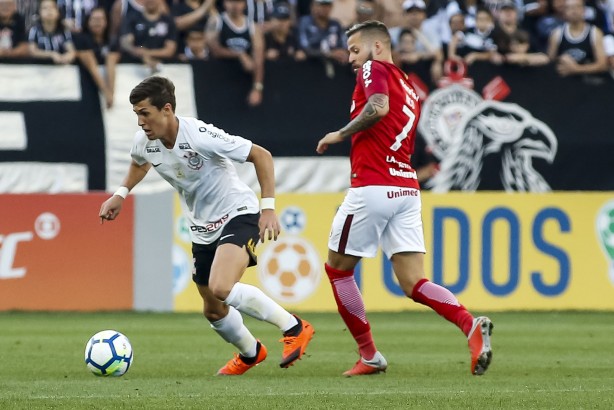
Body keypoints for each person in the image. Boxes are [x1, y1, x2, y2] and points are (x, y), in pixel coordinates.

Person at [99, 76, 315, 375]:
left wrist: (268, 209)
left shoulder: (200, 135)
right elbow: (140, 162)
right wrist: (120, 195)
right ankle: (251, 353)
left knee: (221, 286)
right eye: (136, 114)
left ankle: (293, 327)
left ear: (167, 109)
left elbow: (260, 155)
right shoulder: (145, 142)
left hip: (238, 213)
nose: (140, 122)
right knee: (213, 309)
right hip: (201, 227)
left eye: (144, 113)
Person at [316, 20, 493, 377]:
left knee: (338, 271)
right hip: (406, 190)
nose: (352, 59)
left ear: (377, 47)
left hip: (373, 186)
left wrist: (340, 133)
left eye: (355, 49)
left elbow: (378, 107)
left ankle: (369, 355)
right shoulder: (409, 87)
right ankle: (469, 325)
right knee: (414, 283)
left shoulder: (373, 68)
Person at [205, 0, 265, 106]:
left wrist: (257, 87)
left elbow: (259, 58)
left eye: (238, 2)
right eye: (231, 1)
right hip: (216, 78)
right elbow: (214, 50)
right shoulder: (216, 21)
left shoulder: (252, 27)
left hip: (241, 83)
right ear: (224, 3)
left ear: (245, 4)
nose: (235, 5)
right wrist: (239, 54)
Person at [74, 6, 120, 108]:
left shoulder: (111, 40)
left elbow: (112, 59)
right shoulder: (82, 38)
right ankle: (108, 94)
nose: (97, 22)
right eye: (94, 19)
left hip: (110, 85)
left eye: (100, 19)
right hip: (87, 84)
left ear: (107, 21)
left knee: (111, 58)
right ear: (88, 21)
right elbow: (88, 61)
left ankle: (111, 95)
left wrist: (110, 92)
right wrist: (105, 91)